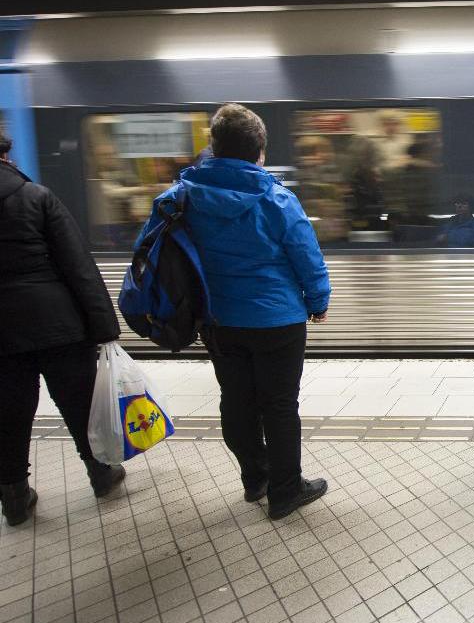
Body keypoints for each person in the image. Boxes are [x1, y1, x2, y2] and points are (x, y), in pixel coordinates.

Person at [137, 104, 332, 520]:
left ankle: (255, 479)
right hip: (277, 320)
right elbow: (306, 254)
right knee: (279, 405)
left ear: (213, 147)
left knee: (237, 401)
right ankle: (285, 491)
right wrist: (318, 301)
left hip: (218, 320)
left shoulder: (180, 197)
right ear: (259, 151)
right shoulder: (277, 197)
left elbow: (154, 251)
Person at [0, 133, 125, 526]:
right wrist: (104, 327)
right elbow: (78, 266)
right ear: (7, 156)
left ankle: (14, 498)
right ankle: (102, 475)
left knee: (8, 414)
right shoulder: (37, 198)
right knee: (79, 403)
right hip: (58, 323)